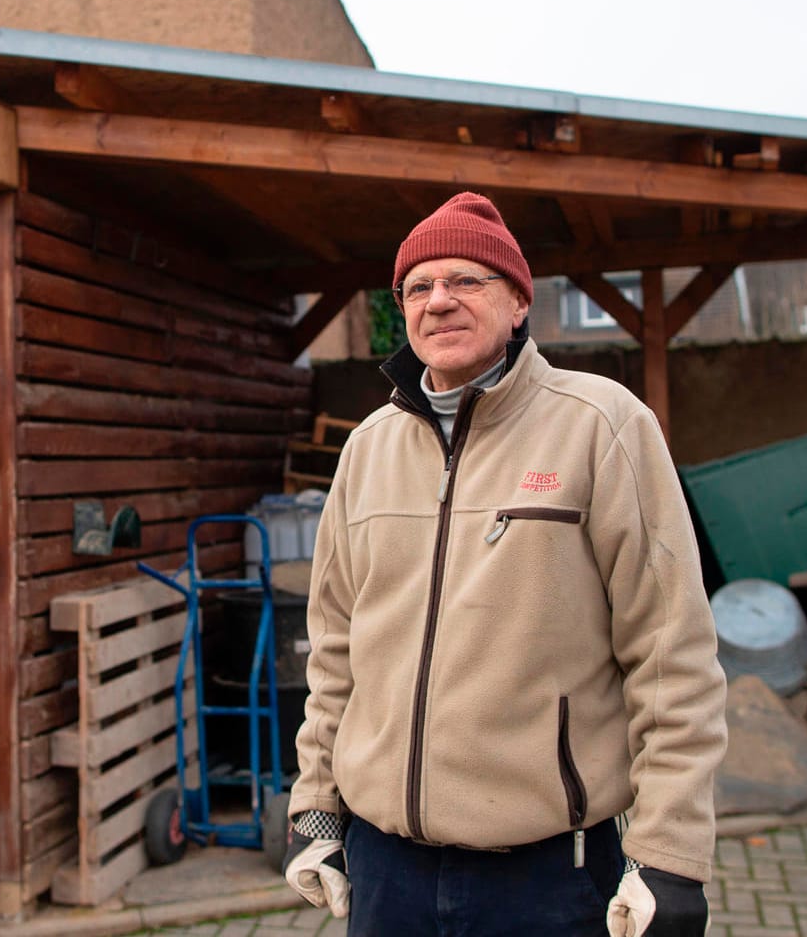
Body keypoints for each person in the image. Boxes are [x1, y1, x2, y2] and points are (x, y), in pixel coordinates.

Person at [281, 192, 728, 936]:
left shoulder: (601, 426)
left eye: (466, 280)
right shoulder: (367, 449)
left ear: (519, 302)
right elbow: (335, 650)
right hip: (386, 870)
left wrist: (671, 851)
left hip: (547, 875)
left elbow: (670, 650)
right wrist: (316, 807)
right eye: (418, 287)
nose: (439, 301)